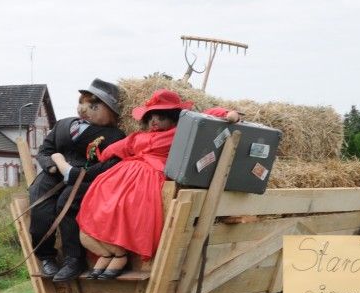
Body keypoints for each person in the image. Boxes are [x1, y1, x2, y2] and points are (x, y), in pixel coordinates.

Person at [77, 90, 239, 279]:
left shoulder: (179, 133)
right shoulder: (137, 137)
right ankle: (108, 252)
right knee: (99, 205)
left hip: (149, 176)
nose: (154, 121)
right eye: (151, 116)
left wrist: (227, 114)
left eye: (161, 116)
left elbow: (207, 115)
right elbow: (112, 150)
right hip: (118, 177)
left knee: (128, 206)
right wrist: (95, 153)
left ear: (172, 118)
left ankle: (119, 254)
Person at [28, 78, 126, 283]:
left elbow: (111, 163)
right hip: (52, 174)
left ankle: (74, 259)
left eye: (94, 106)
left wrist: (75, 173)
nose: (84, 109)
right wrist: (53, 164)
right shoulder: (64, 124)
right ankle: (46, 257)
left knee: (67, 204)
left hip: (84, 176)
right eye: (82, 103)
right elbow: (45, 150)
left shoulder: (114, 135)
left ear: (110, 113)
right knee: (40, 210)